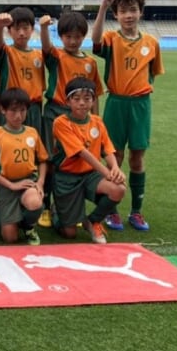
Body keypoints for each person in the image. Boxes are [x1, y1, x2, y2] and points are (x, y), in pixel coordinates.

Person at [92, 0, 164, 232]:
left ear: (141, 12)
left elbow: (152, 74)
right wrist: (103, 5)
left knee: (137, 157)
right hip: (117, 103)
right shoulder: (112, 39)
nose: (129, 15)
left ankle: (136, 212)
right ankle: (112, 211)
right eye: (123, 11)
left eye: (133, 10)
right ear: (117, 15)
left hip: (141, 105)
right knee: (115, 156)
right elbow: (95, 40)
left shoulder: (152, 44)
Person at [38, 10, 104, 229]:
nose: (73, 41)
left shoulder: (90, 63)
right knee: (49, 159)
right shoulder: (57, 56)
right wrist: (45, 28)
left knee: (74, 161)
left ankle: (66, 206)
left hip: (81, 118)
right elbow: (46, 47)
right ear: (61, 37)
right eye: (68, 37)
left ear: (83, 36)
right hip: (55, 112)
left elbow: (94, 95)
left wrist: (95, 119)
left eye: (77, 37)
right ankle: (46, 206)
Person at [51, 77, 126, 244]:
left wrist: (115, 168)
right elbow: (82, 153)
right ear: (67, 101)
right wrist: (107, 172)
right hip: (66, 178)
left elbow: (107, 149)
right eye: (76, 99)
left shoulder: (97, 122)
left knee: (118, 189)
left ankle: (92, 221)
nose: (82, 103)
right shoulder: (61, 123)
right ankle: (56, 212)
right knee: (69, 233)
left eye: (87, 99)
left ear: (93, 101)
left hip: (90, 175)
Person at [0, 88, 48, 245]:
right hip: (6, 185)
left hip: (28, 181)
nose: (18, 116)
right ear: (3, 110)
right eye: (13, 111)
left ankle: (28, 227)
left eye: (22, 110)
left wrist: (40, 183)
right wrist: (11, 185)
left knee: (35, 202)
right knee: (10, 238)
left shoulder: (32, 132)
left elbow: (43, 160)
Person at [0, 7, 45, 133]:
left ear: (32, 29)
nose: (21, 33)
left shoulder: (39, 55)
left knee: (33, 145)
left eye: (25, 28)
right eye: (16, 29)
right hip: (12, 107)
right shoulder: (7, 52)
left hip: (33, 108)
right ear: (9, 31)